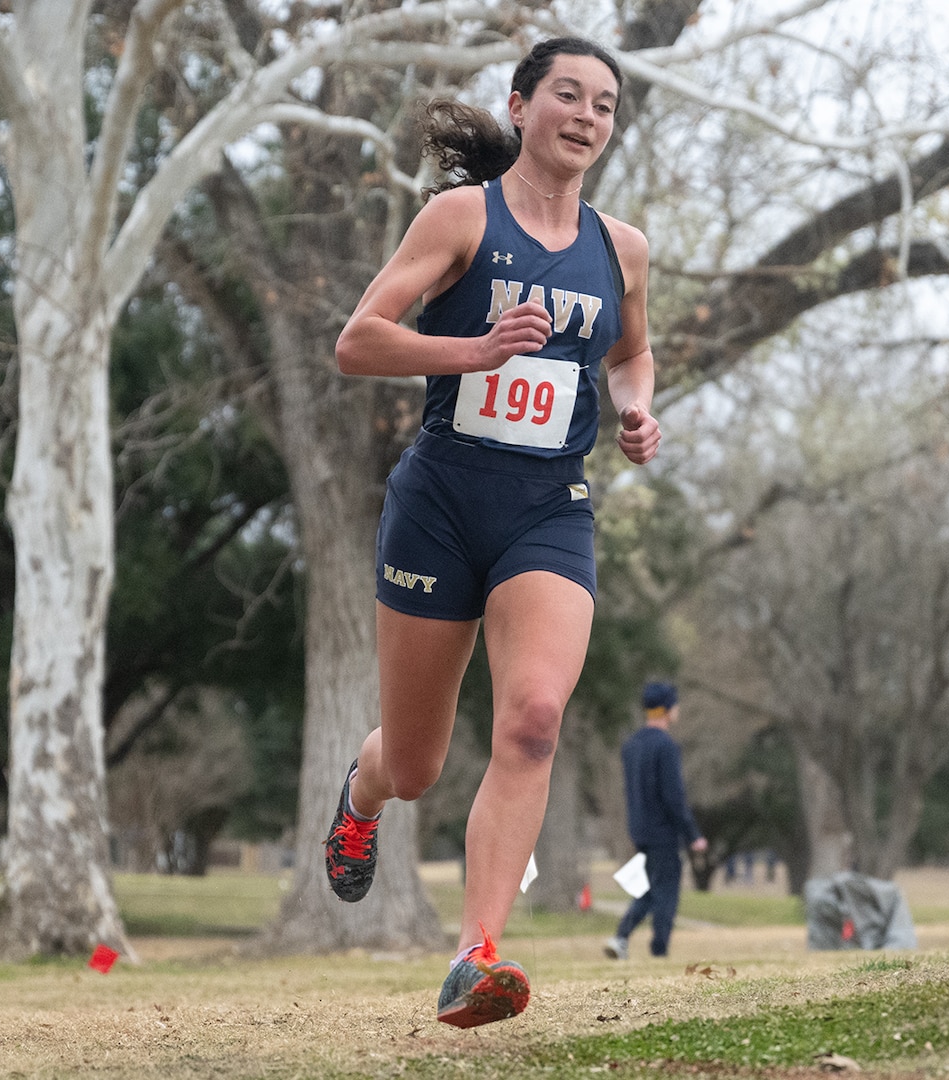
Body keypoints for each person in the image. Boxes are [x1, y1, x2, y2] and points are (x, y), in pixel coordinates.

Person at [323, 36, 661, 1029]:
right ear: (520, 107)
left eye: (603, 103)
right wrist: (471, 348)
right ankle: (361, 792)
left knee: (533, 720)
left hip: (546, 509)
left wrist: (639, 409)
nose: (587, 115)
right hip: (437, 505)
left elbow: (634, 355)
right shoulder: (460, 217)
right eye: (568, 95)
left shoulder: (623, 248)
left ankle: (474, 956)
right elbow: (358, 341)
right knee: (418, 763)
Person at [605, 682, 707, 960]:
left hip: (639, 829)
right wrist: (692, 834)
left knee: (650, 888)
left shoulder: (631, 746)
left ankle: (621, 937)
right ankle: (659, 949)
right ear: (667, 709)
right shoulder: (666, 746)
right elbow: (674, 797)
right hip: (663, 832)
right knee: (666, 892)